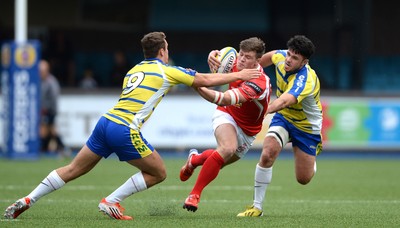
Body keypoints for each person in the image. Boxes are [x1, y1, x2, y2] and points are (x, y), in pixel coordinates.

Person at [3, 31, 261, 220]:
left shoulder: (134, 69)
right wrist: (239, 74)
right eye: (167, 48)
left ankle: (29, 199)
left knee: (73, 169)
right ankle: (111, 201)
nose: (168, 52)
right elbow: (203, 79)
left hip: (106, 123)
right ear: (162, 51)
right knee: (159, 172)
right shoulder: (166, 70)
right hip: (124, 129)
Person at [180, 37, 272, 212]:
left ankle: (195, 160)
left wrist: (195, 85)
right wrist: (213, 56)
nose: (242, 60)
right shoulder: (235, 62)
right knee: (227, 148)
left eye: (248, 57)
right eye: (241, 55)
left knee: (220, 159)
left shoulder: (259, 83)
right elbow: (219, 59)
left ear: (258, 61)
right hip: (227, 114)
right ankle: (194, 195)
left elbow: (222, 98)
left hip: (248, 131)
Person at [236, 35, 323, 217]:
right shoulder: (281, 56)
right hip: (284, 118)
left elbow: (284, 101)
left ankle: (311, 159)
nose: (288, 60)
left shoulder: (305, 79)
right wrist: (242, 72)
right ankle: (257, 207)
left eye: (295, 58)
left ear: (304, 62)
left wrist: (261, 111)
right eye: (289, 54)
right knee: (267, 153)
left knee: (303, 179)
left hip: (306, 127)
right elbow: (262, 61)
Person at [39, 59, 67, 156]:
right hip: (44, 110)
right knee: (51, 130)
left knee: (45, 130)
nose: (41, 73)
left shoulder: (51, 82)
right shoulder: (41, 81)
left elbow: (54, 98)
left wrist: (49, 110)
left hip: (49, 111)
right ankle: (62, 148)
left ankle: (43, 149)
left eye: (42, 71)